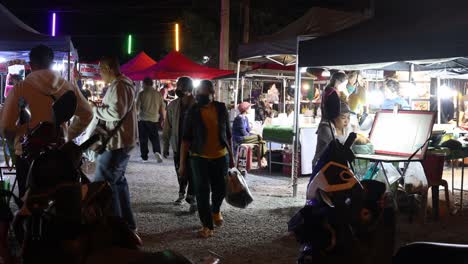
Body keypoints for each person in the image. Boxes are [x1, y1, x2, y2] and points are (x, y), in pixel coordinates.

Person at [0, 45, 93, 198]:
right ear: (52, 63)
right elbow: (87, 114)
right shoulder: (67, 86)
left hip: (27, 153)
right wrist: (68, 134)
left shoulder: (20, 88)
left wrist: (16, 140)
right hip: (58, 152)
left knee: (28, 200)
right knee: (57, 198)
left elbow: (5, 127)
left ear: (30, 65)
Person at [179, 80, 234, 238]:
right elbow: (186, 139)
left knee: (220, 189)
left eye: (204, 93)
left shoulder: (221, 108)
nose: (200, 96)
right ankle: (207, 225)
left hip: (220, 156)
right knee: (202, 192)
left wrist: (232, 156)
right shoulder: (192, 111)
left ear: (212, 93)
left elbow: (228, 135)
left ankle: (215, 210)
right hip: (198, 158)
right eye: (199, 94)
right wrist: (182, 164)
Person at [92, 56, 138, 233]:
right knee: (118, 183)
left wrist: (94, 109)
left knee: (104, 186)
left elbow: (116, 112)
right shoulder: (124, 84)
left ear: (108, 68)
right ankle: (127, 225)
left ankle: (117, 228)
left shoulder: (119, 86)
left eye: (101, 70)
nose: (100, 74)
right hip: (122, 140)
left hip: (116, 141)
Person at [162, 77, 197, 210]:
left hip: (194, 146)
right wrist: (165, 146)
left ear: (190, 88)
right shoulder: (172, 105)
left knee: (193, 172)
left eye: (182, 86)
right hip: (177, 145)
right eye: (179, 86)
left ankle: (192, 196)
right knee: (180, 171)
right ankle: (181, 193)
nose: (179, 89)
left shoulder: (197, 105)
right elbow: (167, 126)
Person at [312, 101, 368, 167]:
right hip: (322, 165)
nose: (346, 121)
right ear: (334, 117)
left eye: (348, 117)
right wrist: (354, 137)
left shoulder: (347, 127)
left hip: (339, 164)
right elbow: (335, 144)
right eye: (343, 118)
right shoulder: (325, 127)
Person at [136, 77, 165, 162]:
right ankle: (157, 152)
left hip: (143, 119)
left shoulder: (141, 94)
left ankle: (144, 156)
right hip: (154, 119)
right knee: (155, 138)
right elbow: (162, 107)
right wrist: (163, 118)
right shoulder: (158, 94)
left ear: (144, 84)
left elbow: (137, 108)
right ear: (152, 84)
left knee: (143, 138)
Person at [232, 102, 267, 167]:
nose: (250, 109)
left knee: (262, 142)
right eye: (249, 108)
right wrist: (252, 136)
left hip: (245, 137)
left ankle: (262, 159)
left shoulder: (245, 118)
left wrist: (252, 134)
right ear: (246, 109)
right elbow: (243, 132)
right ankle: (262, 159)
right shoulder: (239, 118)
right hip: (240, 138)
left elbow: (248, 129)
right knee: (259, 137)